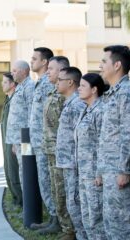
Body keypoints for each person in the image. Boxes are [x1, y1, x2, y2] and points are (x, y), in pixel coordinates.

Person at [98, 45, 130, 239]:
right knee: (112, 222)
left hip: (121, 171)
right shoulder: (113, 93)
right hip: (110, 169)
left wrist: (124, 169)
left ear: (117, 65)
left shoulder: (127, 93)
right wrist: (101, 169)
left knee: (126, 223)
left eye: (104, 62)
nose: (100, 66)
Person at [40, 56, 75, 239]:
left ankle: (69, 229)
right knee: (55, 191)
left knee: (63, 192)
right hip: (50, 150)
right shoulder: (52, 92)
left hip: (62, 153)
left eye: (52, 68)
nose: (48, 71)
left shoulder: (66, 96)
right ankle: (62, 225)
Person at [55, 67, 87, 240]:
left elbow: (82, 137)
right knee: (72, 205)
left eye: (60, 79)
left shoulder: (77, 104)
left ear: (70, 82)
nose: (57, 82)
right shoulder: (69, 102)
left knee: (77, 206)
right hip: (66, 163)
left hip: (74, 164)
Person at [28, 47, 57, 231]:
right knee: (45, 182)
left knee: (49, 182)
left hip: (46, 143)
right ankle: (53, 219)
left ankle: (56, 221)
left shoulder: (48, 83)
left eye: (34, 58)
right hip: (38, 142)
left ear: (44, 62)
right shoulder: (39, 82)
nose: (31, 61)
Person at [75, 73, 107, 240]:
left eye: (82, 86)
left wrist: (100, 172)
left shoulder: (100, 110)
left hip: (95, 175)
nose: (78, 89)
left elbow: (104, 142)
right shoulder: (86, 109)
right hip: (84, 173)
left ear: (94, 89)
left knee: (96, 219)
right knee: (87, 218)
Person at [5, 60, 35, 192]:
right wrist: (14, 142)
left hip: (26, 140)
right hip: (18, 139)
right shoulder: (20, 87)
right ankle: (26, 205)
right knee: (22, 170)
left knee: (26, 171)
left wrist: (27, 140)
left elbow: (31, 114)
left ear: (24, 71)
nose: (12, 73)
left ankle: (29, 208)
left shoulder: (29, 87)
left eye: (15, 71)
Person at [0, 72, 22, 207]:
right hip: (6, 140)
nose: (2, 84)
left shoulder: (15, 99)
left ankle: (21, 201)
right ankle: (15, 198)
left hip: (12, 141)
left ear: (12, 84)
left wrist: (15, 142)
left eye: (5, 82)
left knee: (14, 170)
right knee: (8, 169)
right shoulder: (8, 99)